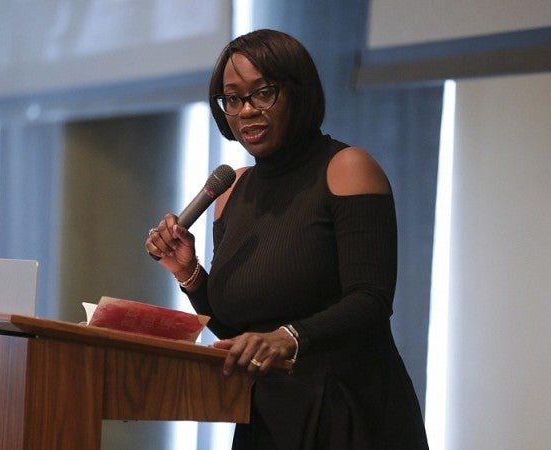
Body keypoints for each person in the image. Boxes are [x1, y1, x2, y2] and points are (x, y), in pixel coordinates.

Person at [145, 29, 429, 449]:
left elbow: (371, 298)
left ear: (298, 92)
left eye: (263, 93)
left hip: (347, 407)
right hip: (266, 414)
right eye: (234, 99)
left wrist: (290, 336)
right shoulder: (232, 192)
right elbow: (237, 328)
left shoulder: (347, 168)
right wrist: (190, 274)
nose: (246, 111)